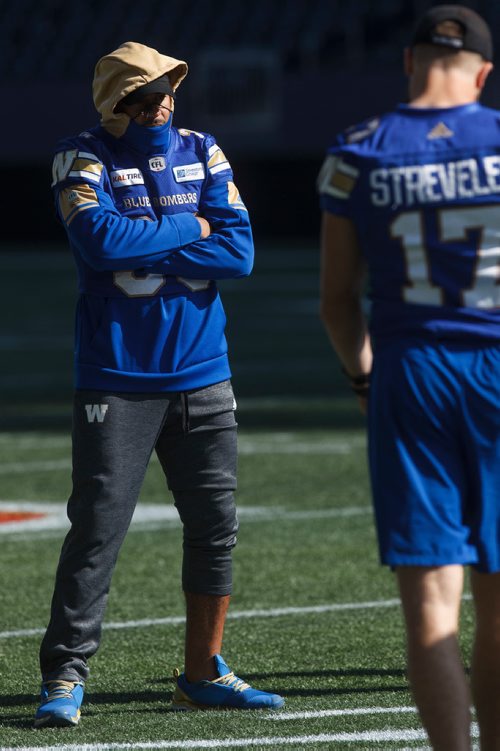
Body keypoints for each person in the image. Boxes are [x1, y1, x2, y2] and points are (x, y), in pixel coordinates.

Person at [35, 41, 284, 728]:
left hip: (204, 371)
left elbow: (239, 250)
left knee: (215, 529)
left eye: (167, 88)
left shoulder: (204, 149)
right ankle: (64, 673)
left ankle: (203, 670)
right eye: (144, 94)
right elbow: (100, 244)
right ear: (115, 102)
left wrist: (151, 231)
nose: (160, 103)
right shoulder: (79, 154)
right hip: (117, 376)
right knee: (97, 529)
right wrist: (191, 223)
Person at [318, 6, 500, 750]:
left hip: (411, 370)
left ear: (408, 61)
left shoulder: (356, 152)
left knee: (432, 606)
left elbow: (336, 303)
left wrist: (365, 382)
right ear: (484, 73)